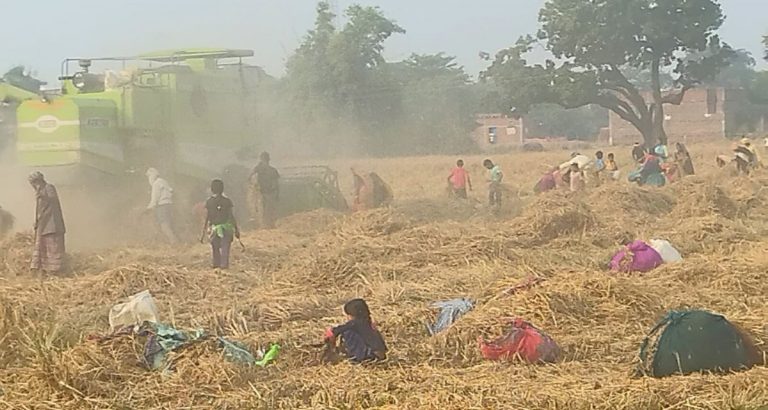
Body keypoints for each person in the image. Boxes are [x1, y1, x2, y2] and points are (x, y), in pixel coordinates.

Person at [323, 299, 387, 363]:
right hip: (379, 354)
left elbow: (342, 328)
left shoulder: (356, 323)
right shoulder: (367, 322)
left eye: (348, 315)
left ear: (352, 315)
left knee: (348, 332)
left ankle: (357, 357)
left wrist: (332, 332)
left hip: (372, 356)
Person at [29, 172, 66, 273]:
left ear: (39, 181)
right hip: (43, 224)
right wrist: (37, 221)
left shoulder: (48, 187)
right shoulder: (40, 192)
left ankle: (56, 269)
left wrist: (41, 195)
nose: (33, 186)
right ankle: (45, 269)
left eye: (34, 183)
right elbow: (40, 210)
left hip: (52, 223)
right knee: (44, 246)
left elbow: (53, 199)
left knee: (53, 246)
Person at [201, 179, 240, 270]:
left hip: (214, 228)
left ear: (212, 189)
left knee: (215, 248)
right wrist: (236, 229)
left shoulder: (209, 202)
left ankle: (216, 265)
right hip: (227, 228)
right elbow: (231, 216)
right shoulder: (227, 201)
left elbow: (207, 216)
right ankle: (224, 266)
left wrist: (204, 230)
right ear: (222, 189)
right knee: (225, 247)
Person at [145, 168, 178, 244]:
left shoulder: (156, 184)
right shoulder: (164, 182)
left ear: (151, 176)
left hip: (162, 206)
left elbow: (154, 199)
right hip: (169, 205)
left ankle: (173, 241)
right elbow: (171, 191)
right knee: (169, 224)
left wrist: (148, 209)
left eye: (148, 176)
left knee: (164, 225)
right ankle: (174, 240)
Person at [251, 152, 280, 229]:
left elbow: (250, 177)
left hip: (264, 192)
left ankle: (266, 225)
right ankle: (268, 224)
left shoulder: (260, 169)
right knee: (268, 209)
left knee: (264, 209)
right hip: (268, 192)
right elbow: (276, 184)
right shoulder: (272, 170)